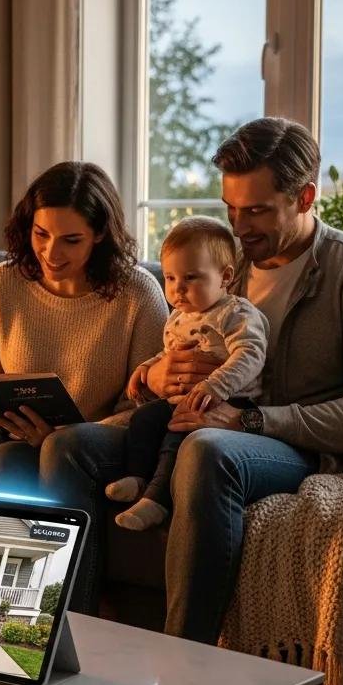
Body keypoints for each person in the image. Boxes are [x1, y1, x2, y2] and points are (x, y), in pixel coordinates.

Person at [40, 117, 343, 646]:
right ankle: (66, 645)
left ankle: (186, 674)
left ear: (306, 196)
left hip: (294, 446)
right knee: (68, 446)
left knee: (207, 450)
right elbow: (166, 348)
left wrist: (252, 419)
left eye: (257, 211)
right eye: (231, 208)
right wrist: (152, 376)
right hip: (193, 419)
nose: (241, 227)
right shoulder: (221, 260)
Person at [0, 161, 168, 611]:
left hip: (92, 443)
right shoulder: (3, 282)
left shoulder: (137, 294)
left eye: (71, 240)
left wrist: (59, 435)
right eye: (40, 234)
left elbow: (146, 406)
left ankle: (43, 621)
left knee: (15, 459)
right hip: (14, 429)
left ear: (100, 235)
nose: (51, 253)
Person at [106, 216, 269, 531]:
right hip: (184, 397)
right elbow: (169, 352)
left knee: (177, 434)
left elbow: (251, 354)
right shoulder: (179, 316)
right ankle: (137, 478)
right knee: (143, 420)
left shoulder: (236, 313)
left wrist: (214, 386)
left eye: (191, 278)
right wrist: (146, 368)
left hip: (230, 401)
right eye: (169, 277)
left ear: (225, 277)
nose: (177, 288)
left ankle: (156, 501)